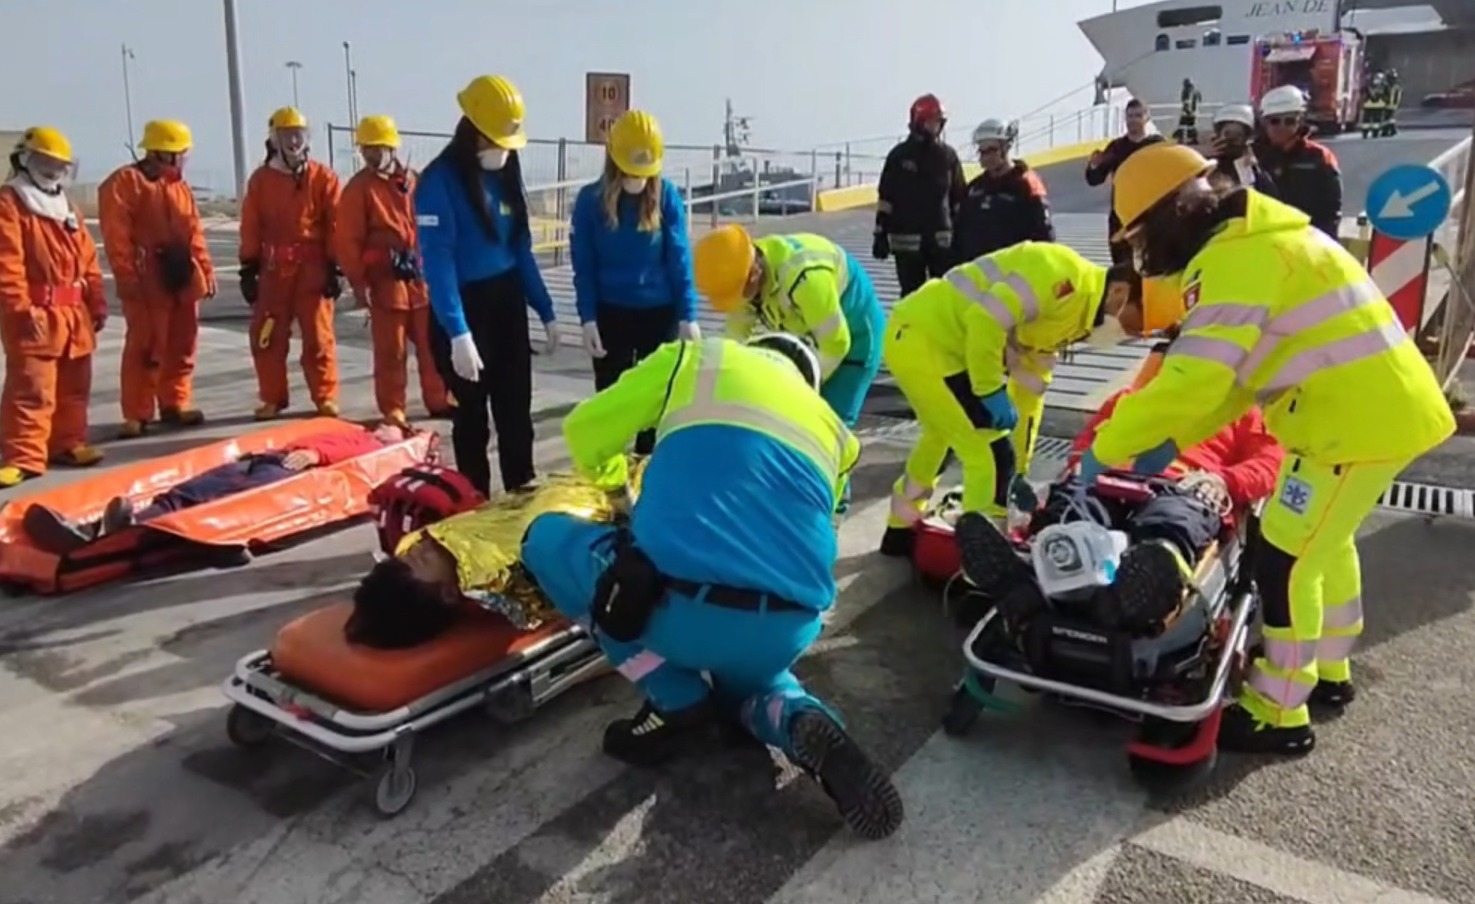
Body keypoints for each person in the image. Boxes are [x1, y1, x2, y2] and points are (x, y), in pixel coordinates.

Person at [1083, 142, 1454, 754]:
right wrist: (1175, 437)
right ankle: (1330, 670)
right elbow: (1240, 379)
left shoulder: (1237, 260)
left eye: (1144, 234)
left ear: (1175, 209)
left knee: (1283, 558)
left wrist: (1112, 441)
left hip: (1354, 424)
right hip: (1360, 415)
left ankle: (1278, 711)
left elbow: (1196, 377)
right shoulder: (1264, 241)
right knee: (1324, 544)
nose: (1147, 253)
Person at [517, 332, 904, 840]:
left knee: (545, 540)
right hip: (787, 626)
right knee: (750, 680)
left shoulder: (696, 359)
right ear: (806, 384)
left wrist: (618, 491)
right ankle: (794, 716)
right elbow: (824, 526)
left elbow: (585, 429)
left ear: (755, 348)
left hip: (672, 604)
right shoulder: (837, 435)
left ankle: (675, 696)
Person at [954, 343, 1283, 626]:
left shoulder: (1242, 412)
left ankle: (1146, 577)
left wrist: (1224, 480)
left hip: (1184, 485)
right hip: (1112, 475)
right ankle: (1043, 561)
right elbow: (1087, 442)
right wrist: (1081, 467)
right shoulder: (1131, 397)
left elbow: (1270, 464)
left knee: (1169, 524)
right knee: (1074, 507)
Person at [879, 242, 1144, 558]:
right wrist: (989, 389)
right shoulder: (1060, 273)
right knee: (990, 456)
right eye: (1136, 323)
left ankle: (900, 528)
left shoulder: (1077, 319)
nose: (1135, 334)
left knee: (943, 438)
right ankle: (979, 572)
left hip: (923, 339)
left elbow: (1030, 393)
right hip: (930, 340)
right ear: (1119, 292)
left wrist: (1019, 470)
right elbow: (985, 320)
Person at [416, 74, 561, 497]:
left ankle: (521, 498)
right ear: (474, 131)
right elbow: (437, 264)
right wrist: (458, 333)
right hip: (463, 311)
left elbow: (521, 251)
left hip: (507, 308)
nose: (504, 151)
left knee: (516, 415)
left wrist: (545, 309)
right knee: (472, 421)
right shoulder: (438, 184)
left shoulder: (504, 174)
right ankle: (473, 501)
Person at [21, 423, 412, 554]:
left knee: (216, 501)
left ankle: (116, 530)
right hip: (268, 459)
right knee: (191, 489)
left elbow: (348, 461)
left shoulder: (379, 449)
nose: (384, 426)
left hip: (288, 472)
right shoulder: (358, 432)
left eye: (393, 428)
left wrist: (313, 455)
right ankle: (100, 529)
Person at [571, 109, 700, 455]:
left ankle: (648, 479)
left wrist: (688, 315)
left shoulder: (667, 196)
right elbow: (583, 265)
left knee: (655, 408)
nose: (637, 178)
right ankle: (609, 481)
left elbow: (679, 257)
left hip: (659, 315)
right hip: (610, 312)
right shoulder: (589, 202)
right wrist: (587, 318)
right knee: (611, 404)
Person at [692, 225, 886, 435]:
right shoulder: (742, 273)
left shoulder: (804, 278)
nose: (736, 304)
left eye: (736, 294)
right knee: (796, 424)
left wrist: (799, 387)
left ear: (754, 275)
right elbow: (733, 343)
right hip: (813, 337)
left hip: (857, 338)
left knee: (830, 430)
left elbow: (836, 343)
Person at [0, 127, 108, 489]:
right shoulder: (11, 204)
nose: (53, 170)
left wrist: (96, 301)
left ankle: (68, 443)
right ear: (26, 159)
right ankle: (23, 456)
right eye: (46, 162)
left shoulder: (67, 207)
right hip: (35, 314)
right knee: (32, 387)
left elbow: (87, 260)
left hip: (73, 315)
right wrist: (19, 310)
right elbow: (6, 264)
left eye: (60, 164)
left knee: (75, 386)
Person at [98, 119, 217, 439]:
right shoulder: (125, 183)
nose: (186, 158)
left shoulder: (179, 187)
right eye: (182, 153)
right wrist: (126, 276)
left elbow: (194, 234)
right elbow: (116, 235)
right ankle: (137, 413)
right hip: (147, 277)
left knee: (183, 342)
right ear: (166, 153)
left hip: (181, 274)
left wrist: (205, 271)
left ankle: (174, 402)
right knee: (145, 346)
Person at [335, 114, 451, 427]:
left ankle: (440, 399)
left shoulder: (414, 181)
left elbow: (433, 223)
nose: (371, 155)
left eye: (377, 148)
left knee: (433, 346)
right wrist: (360, 285)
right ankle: (393, 409)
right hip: (384, 284)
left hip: (420, 281)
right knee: (391, 352)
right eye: (366, 149)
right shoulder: (358, 190)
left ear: (391, 147)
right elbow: (347, 241)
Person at [239, 107, 344, 421]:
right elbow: (250, 226)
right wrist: (248, 268)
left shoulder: (323, 177)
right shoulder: (261, 181)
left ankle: (325, 396)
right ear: (275, 139)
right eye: (287, 135)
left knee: (319, 337)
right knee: (267, 336)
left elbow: (337, 223)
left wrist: (336, 268)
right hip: (273, 274)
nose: (294, 141)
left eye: (298, 135)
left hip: (313, 272)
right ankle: (272, 397)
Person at [874, 94, 968, 295]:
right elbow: (885, 199)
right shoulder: (899, 156)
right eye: (933, 122)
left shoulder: (948, 157)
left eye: (939, 122)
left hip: (942, 243)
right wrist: (880, 232)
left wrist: (963, 236)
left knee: (944, 295)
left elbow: (959, 198)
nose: (937, 127)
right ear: (919, 120)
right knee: (911, 297)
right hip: (907, 244)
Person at [952, 118, 1055, 263]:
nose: (986, 157)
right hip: (977, 274)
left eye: (991, 150)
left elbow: (1044, 237)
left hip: (1012, 273)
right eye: (982, 152)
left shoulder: (1026, 184)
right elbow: (959, 235)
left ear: (1006, 148)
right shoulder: (975, 188)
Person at [1252, 86, 1343, 239]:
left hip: (1305, 242)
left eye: (1289, 121)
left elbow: (1331, 212)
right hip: (1260, 240)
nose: (1282, 127)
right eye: (1275, 121)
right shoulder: (1250, 156)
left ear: (1300, 121)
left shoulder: (1320, 157)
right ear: (1264, 122)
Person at [1084, 98, 1165, 265]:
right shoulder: (1116, 147)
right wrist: (1093, 165)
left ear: (1146, 118)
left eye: (1137, 116)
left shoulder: (1157, 145)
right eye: (1130, 116)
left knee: (1152, 266)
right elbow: (1095, 179)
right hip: (1121, 216)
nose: (1133, 120)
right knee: (1122, 267)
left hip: (1149, 216)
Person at [1207, 105, 1277, 195]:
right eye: (1227, 134)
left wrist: (1244, 163)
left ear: (1246, 138)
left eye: (1237, 135)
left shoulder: (1253, 169)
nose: (1231, 140)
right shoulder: (1208, 165)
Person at [1174, 77, 1202, 144]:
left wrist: (1187, 110)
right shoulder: (1196, 91)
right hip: (1194, 112)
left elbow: (1186, 102)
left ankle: (1181, 139)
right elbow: (1200, 100)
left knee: (1182, 125)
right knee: (1191, 126)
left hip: (1187, 112)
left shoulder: (1186, 91)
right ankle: (1194, 139)